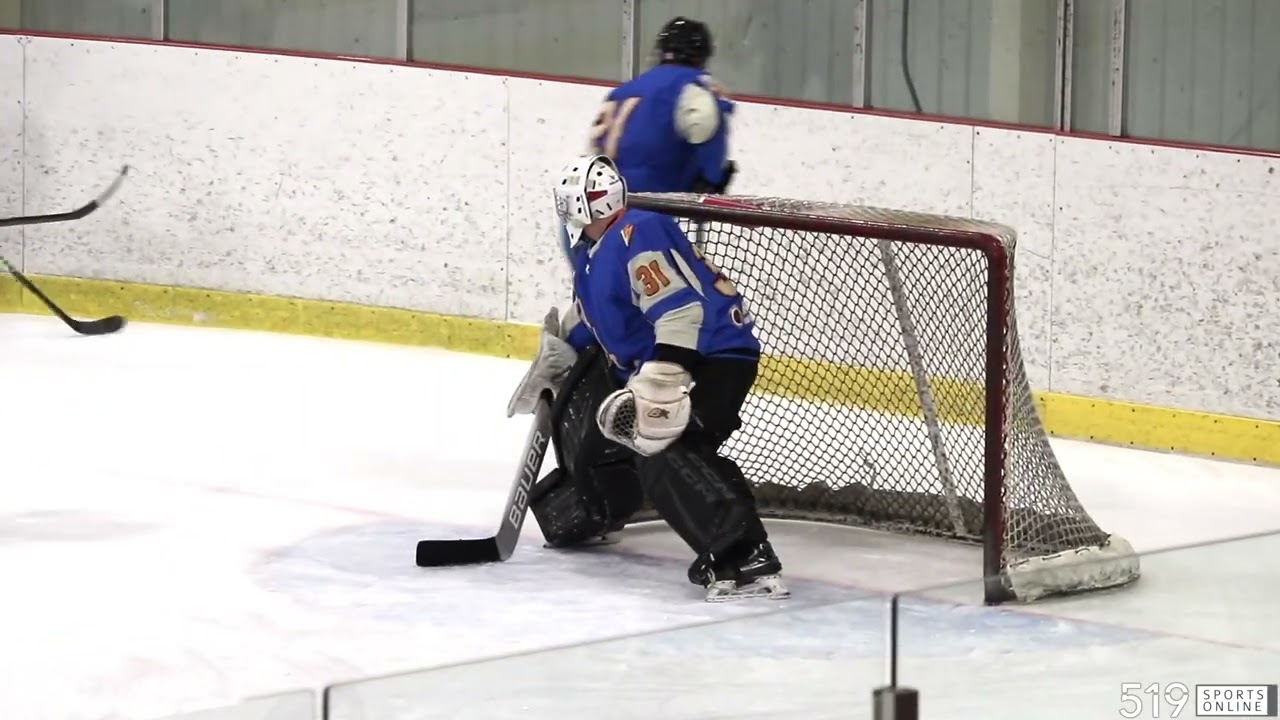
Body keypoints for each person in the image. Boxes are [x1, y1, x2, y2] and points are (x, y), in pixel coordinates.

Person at [506, 153, 787, 602]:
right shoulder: (595, 255)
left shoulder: (637, 231)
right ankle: (596, 512)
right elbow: (596, 318)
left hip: (710, 357)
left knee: (660, 446)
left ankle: (745, 553)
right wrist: (557, 356)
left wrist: (661, 382)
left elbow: (680, 310)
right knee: (594, 433)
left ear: (579, 209)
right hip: (663, 361)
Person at [586, 16, 737, 195]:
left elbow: (595, 146)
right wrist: (712, 180)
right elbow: (707, 126)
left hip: (602, 206)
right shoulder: (691, 88)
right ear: (701, 55)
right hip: (654, 206)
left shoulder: (622, 91)